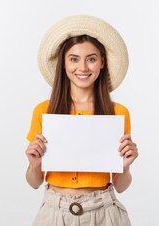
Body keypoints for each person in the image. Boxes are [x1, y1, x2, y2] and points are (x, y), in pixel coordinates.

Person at [25, 15, 139, 226]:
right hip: (54, 213)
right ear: (64, 63)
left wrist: (124, 167)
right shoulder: (44, 111)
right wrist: (34, 165)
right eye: (74, 58)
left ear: (102, 62)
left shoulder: (117, 113)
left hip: (104, 213)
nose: (83, 68)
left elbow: (121, 185)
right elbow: (34, 182)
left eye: (92, 58)